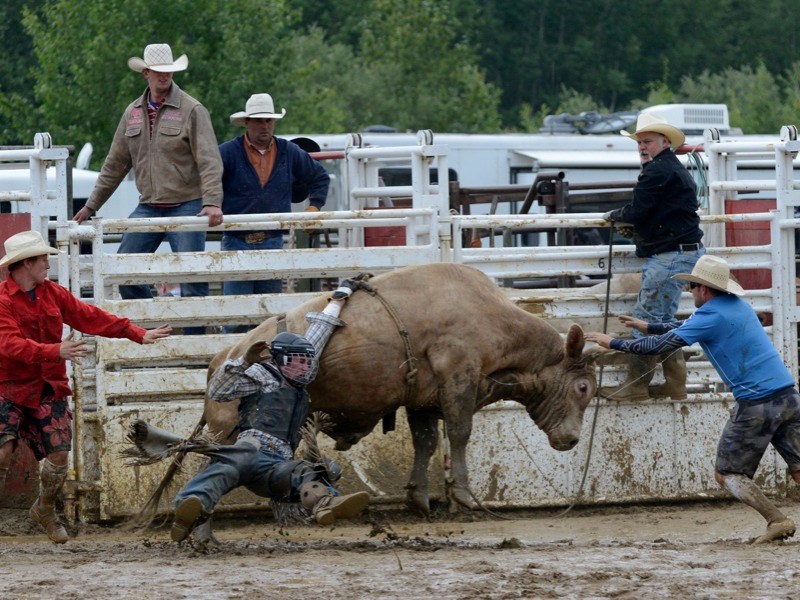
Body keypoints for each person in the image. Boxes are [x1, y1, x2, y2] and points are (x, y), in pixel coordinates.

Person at [585, 255, 800, 544]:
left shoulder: (710, 315)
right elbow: (684, 327)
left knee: (727, 474)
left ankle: (777, 520)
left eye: (691, 287)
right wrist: (647, 326)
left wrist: (613, 342)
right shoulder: (737, 307)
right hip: (788, 396)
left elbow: (660, 346)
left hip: (756, 403)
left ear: (704, 289)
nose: (689, 291)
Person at [0, 230, 172, 543]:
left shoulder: (53, 293)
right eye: (42, 258)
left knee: (60, 457)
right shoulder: (1, 300)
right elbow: (8, 344)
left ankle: (45, 509)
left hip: (46, 386)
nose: (47, 263)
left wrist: (135, 333)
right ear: (25, 263)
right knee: (3, 451)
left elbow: (89, 316)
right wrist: (55, 351)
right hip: (8, 386)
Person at [169, 278, 368, 541]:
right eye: (297, 362)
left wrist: (338, 300)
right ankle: (190, 509)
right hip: (250, 449)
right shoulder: (262, 375)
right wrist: (242, 362)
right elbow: (219, 392)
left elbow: (316, 337)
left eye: (306, 362)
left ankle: (325, 503)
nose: (304, 367)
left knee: (306, 472)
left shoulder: (298, 379)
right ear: (281, 360)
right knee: (223, 470)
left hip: (278, 464)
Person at [74, 43, 223, 330]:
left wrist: (213, 200)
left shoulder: (192, 109)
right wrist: (91, 205)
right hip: (149, 206)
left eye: (168, 70)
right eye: (158, 71)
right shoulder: (132, 113)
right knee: (125, 272)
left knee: (193, 278)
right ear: (146, 73)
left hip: (188, 203)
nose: (164, 76)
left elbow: (209, 159)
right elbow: (114, 165)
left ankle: (195, 347)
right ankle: (155, 329)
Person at [600, 112, 706, 401]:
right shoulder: (671, 168)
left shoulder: (657, 171)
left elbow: (637, 210)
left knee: (645, 319)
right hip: (683, 252)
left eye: (647, 141)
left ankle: (636, 386)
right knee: (662, 319)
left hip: (669, 255)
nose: (642, 146)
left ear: (664, 142)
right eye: (639, 142)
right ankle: (675, 383)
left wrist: (614, 215)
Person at [218, 93, 330, 297]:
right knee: (239, 309)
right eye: (259, 120)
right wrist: (211, 204)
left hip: (272, 238)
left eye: (269, 120)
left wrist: (315, 206)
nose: (265, 125)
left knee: (267, 306)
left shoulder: (289, 151)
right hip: (237, 238)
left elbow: (319, 176)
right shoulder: (227, 153)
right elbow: (208, 182)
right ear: (247, 122)